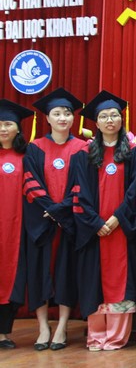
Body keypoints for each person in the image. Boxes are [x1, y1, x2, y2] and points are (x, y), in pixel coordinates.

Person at [69, 91, 136, 351]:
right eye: (103, 116)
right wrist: (96, 223)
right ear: (96, 123)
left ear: (122, 120)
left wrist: (117, 218)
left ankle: (116, 336)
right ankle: (96, 336)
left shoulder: (134, 153)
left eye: (114, 115)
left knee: (121, 278)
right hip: (94, 231)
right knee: (94, 280)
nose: (110, 120)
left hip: (122, 228)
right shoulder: (84, 154)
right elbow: (78, 191)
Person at [23, 87, 86, 351]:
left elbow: (83, 185)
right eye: (57, 113)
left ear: (73, 118)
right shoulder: (35, 147)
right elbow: (30, 182)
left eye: (67, 113)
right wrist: (52, 209)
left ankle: (61, 326)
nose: (63, 118)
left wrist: (61, 211)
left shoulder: (82, 148)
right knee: (39, 272)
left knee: (66, 272)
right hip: (42, 222)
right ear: (47, 118)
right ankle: (43, 327)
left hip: (70, 223)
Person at [0, 100, 34, 349]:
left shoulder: (26, 157)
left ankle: (3, 333)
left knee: (10, 275)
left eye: (8, 124)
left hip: (16, 227)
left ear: (18, 128)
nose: (3, 129)